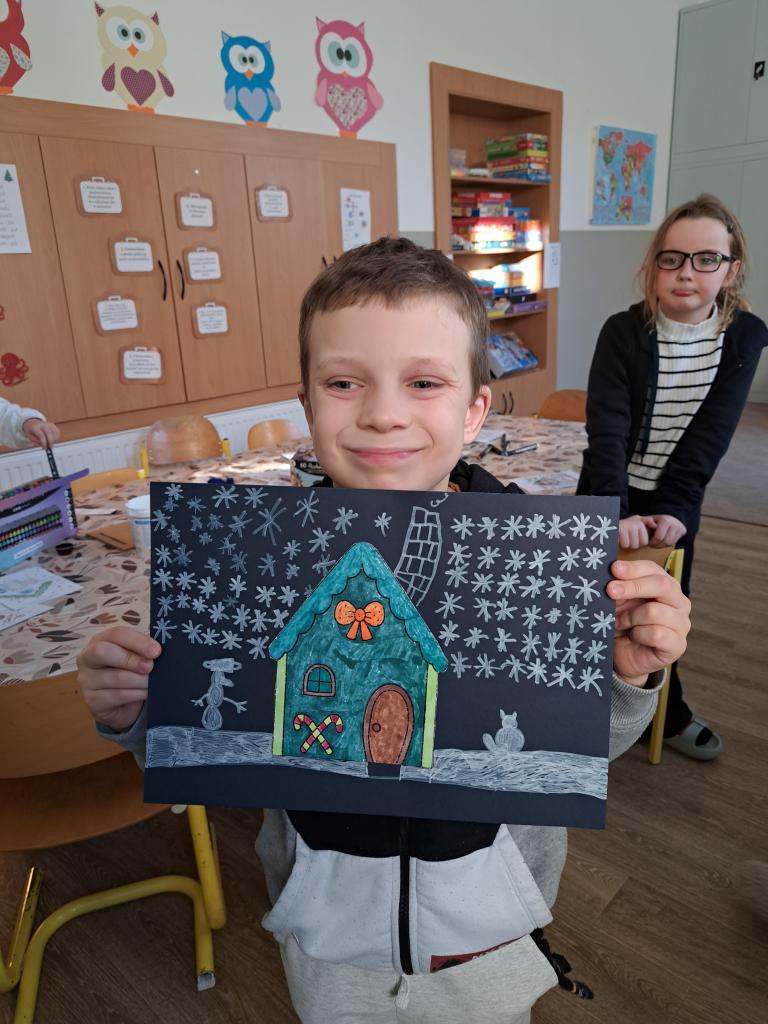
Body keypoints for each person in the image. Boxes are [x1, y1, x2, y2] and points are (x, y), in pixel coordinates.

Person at [77, 237, 691, 1024]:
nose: (383, 413)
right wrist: (138, 713)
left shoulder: (533, 564)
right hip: (328, 937)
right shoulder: (260, 558)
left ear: (476, 410)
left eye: (424, 382)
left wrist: (627, 676)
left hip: (490, 936)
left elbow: (581, 747)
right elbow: (217, 740)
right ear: (308, 405)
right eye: (344, 382)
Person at [578, 194, 767, 761]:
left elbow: (711, 435)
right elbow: (607, 428)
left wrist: (677, 512)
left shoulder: (744, 336)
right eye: (672, 258)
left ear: (731, 269)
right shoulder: (622, 331)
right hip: (610, 488)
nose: (686, 272)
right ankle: (575, 700)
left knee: (661, 611)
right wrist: (615, 510)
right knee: (592, 602)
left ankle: (666, 711)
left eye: (706, 259)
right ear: (653, 266)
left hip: (675, 498)